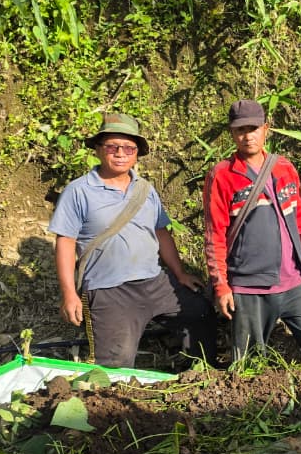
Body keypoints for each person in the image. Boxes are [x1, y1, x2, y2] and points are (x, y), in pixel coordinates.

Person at [49, 112, 214, 368]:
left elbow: (161, 233)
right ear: (98, 150)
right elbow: (66, 243)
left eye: (128, 147)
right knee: (114, 364)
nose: (120, 153)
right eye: (112, 146)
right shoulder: (78, 191)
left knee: (199, 311)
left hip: (154, 281)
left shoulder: (145, 189)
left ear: (136, 154)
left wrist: (179, 273)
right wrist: (69, 293)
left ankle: (199, 373)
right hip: (108, 291)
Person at [204, 98, 301, 362]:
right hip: (249, 286)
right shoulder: (222, 175)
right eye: (240, 130)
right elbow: (214, 234)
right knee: (250, 363)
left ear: (266, 129)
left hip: (294, 282)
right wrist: (222, 286)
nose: (248, 136)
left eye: (253, 129)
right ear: (232, 133)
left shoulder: (285, 168)